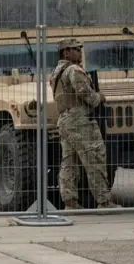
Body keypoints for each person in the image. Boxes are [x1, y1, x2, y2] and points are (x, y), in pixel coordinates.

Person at [49, 37, 121, 210]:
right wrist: (99, 97)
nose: (80, 52)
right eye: (76, 49)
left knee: (69, 162)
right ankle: (104, 202)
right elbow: (85, 93)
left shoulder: (56, 72)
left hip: (65, 120)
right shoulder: (74, 70)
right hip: (80, 121)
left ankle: (70, 202)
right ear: (66, 52)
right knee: (95, 159)